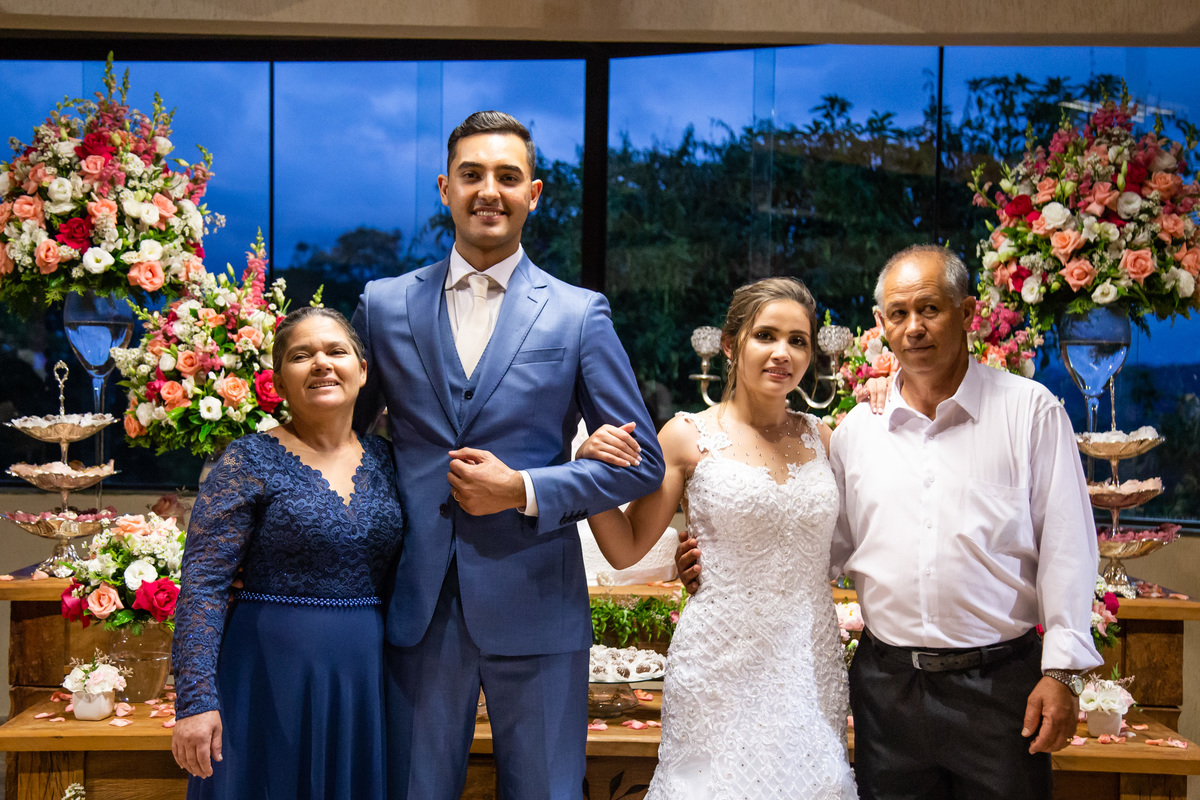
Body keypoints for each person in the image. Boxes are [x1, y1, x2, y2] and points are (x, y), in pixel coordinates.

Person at [679, 245, 1102, 800]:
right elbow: (819, 546)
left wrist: (1063, 670)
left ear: (967, 312)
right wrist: (724, 557)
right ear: (880, 325)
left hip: (1000, 688)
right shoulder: (857, 433)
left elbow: (1069, 547)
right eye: (899, 314)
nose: (914, 328)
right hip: (887, 693)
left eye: (930, 309)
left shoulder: (1030, 412)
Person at [350, 110, 665, 800]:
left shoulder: (578, 315)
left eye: (507, 176)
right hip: (417, 606)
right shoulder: (384, 304)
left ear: (535, 194)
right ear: (444, 188)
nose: (488, 190)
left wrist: (524, 486)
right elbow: (345, 443)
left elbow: (643, 465)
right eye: (471, 175)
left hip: (538, 602)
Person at [578, 276, 857, 799]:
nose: (783, 353)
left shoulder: (824, 438)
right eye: (766, 336)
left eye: (798, 341)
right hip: (719, 666)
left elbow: (850, 544)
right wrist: (588, 474)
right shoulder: (685, 436)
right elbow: (625, 548)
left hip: (810, 660)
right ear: (731, 345)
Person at [171, 307, 405, 799]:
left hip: (364, 679)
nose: (321, 363)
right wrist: (195, 702)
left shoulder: (392, 461)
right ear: (279, 381)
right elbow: (204, 585)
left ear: (363, 371)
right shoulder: (246, 460)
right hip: (263, 677)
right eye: (302, 356)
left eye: (336, 351)